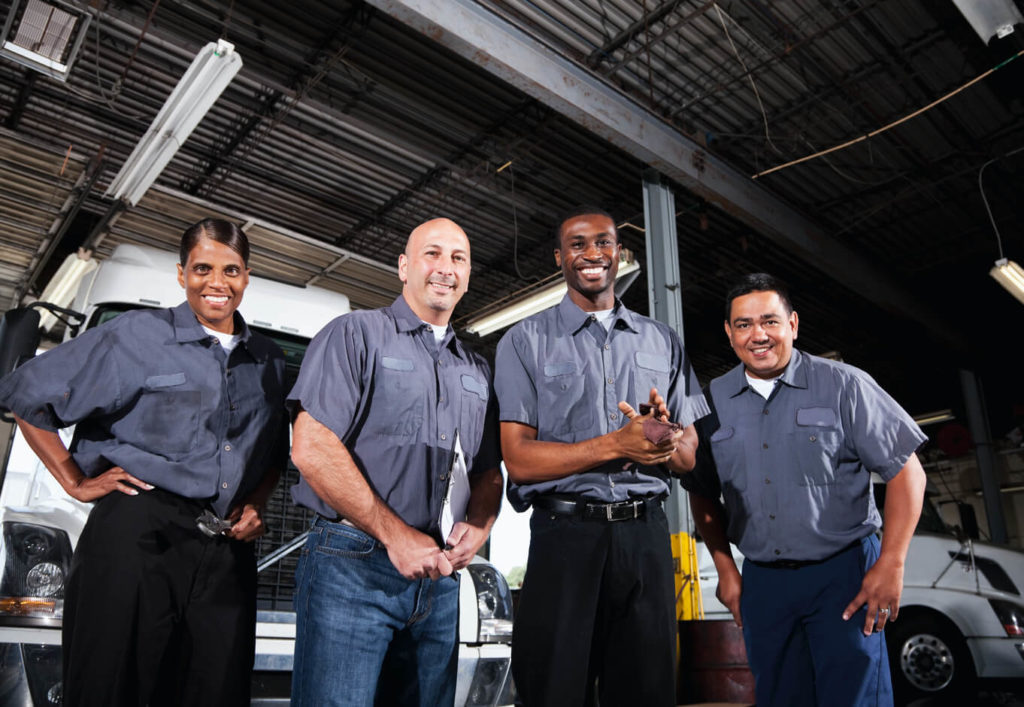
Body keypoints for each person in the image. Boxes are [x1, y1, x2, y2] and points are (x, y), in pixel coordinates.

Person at [0, 219, 288, 706]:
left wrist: (257, 502)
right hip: (137, 531)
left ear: (247, 276)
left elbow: (275, 450)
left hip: (225, 550)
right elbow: (27, 395)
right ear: (181, 274)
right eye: (202, 268)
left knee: (214, 690)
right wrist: (73, 480)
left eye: (231, 270)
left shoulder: (269, 359)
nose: (216, 283)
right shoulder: (134, 335)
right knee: (113, 686)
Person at [494, 205, 709, 706]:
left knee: (647, 692)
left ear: (619, 252)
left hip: (645, 539)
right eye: (578, 244)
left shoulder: (664, 340)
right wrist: (616, 444)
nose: (593, 254)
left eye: (604, 242)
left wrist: (667, 441)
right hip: (564, 538)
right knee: (554, 691)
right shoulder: (523, 342)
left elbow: (690, 455)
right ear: (559, 258)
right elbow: (519, 460)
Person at [681, 272, 927, 707]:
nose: (758, 335)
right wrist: (726, 569)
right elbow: (700, 490)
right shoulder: (712, 401)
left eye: (770, 321)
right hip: (763, 582)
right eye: (743, 324)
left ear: (793, 324)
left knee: (853, 697)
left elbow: (908, 473)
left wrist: (892, 563)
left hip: (845, 574)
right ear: (729, 332)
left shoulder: (844, 385)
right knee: (780, 696)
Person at [287, 217, 502, 707]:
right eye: (432, 253)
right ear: (403, 267)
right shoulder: (355, 334)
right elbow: (311, 446)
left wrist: (480, 525)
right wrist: (394, 534)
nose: (445, 268)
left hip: (440, 578)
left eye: (458, 258)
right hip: (353, 566)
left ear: (467, 276)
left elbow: (489, 470)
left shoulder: (477, 368)